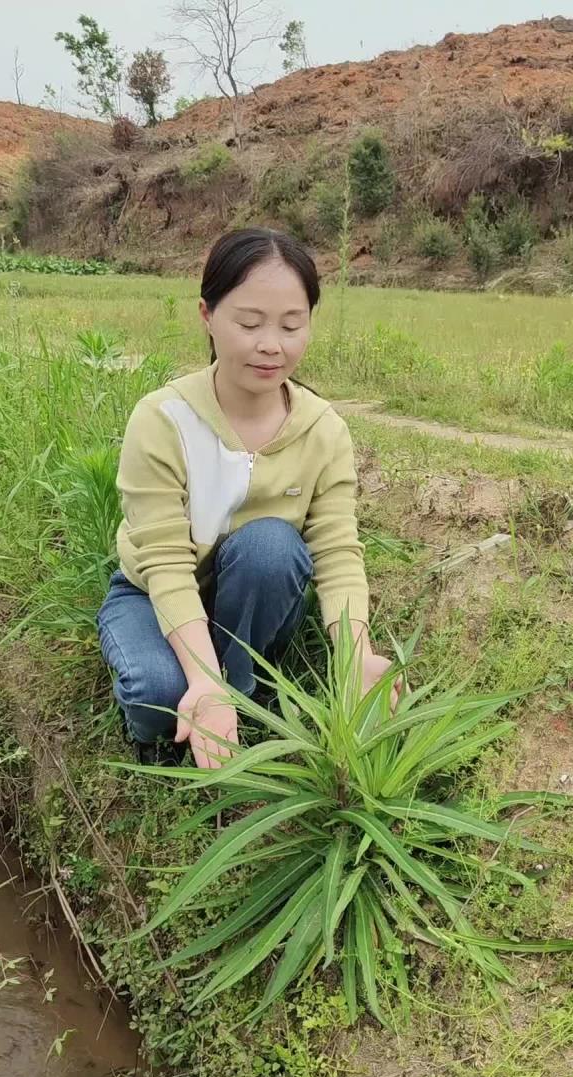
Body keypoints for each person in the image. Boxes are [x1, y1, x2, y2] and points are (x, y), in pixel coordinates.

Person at [97, 226, 394, 770]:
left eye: (291, 324)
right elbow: (163, 561)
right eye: (250, 322)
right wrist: (199, 680)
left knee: (271, 547)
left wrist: (356, 656)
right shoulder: (162, 420)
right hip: (149, 592)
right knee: (156, 692)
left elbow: (336, 551)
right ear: (207, 316)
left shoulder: (323, 431)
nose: (271, 344)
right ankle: (188, 709)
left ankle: (237, 694)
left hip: (251, 599)